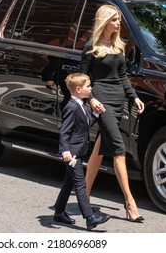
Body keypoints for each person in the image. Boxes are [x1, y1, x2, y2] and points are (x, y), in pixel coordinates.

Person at [80, 4, 145, 222]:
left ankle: (84, 195)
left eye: (118, 20)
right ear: (105, 21)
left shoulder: (118, 45)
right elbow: (83, 79)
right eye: (115, 20)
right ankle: (130, 202)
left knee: (100, 148)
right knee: (118, 149)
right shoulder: (91, 47)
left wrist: (134, 97)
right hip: (102, 100)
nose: (118, 24)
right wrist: (92, 99)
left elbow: (123, 76)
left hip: (118, 100)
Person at [53, 73, 110, 230]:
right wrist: (65, 150)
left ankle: (58, 212)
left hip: (79, 150)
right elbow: (64, 132)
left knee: (69, 183)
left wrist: (97, 114)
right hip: (72, 153)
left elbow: (85, 124)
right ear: (78, 89)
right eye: (88, 86)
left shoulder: (82, 105)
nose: (90, 89)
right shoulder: (71, 107)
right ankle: (90, 217)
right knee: (80, 183)